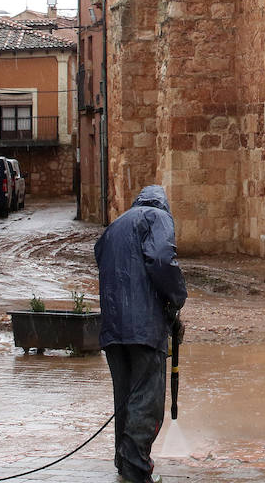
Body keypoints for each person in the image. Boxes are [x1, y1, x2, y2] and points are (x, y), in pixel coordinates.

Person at [95, 185, 188, 483]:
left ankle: (124, 463)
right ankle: (136, 467)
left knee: (124, 396)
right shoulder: (157, 218)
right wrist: (176, 297)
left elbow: (101, 256)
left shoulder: (116, 226)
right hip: (145, 327)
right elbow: (161, 259)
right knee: (146, 397)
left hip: (113, 327)